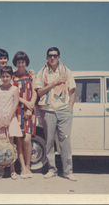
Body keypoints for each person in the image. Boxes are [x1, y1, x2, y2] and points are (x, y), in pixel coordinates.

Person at [35, 47, 77, 181]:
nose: (52, 58)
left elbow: (73, 90)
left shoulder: (67, 72)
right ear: (47, 58)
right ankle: (52, 169)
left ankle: (68, 171)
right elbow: (39, 92)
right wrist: (54, 83)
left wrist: (70, 108)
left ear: (59, 57)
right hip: (48, 110)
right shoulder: (41, 72)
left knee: (65, 140)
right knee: (49, 140)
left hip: (64, 110)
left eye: (54, 55)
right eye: (49, 55)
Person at [0, 66, 23, 180]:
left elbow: (15, 104)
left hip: (10, 119)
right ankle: (1, 170)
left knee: (10, 145)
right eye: (3, 76)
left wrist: (8, 119)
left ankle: (12, 170)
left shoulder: (14, 89)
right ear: (0, 77)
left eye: (8, 76)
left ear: (11, 77)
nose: (5, 78)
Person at [12, 51, 37, 179]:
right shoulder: (13, 76)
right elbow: (14, 94)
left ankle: (28, 166)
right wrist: (25, 102)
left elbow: (35, 92)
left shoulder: (31, 75)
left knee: (27, 139)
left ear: (26, 62)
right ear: (15, 63)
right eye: (18, 61)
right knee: (20, 140)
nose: (20, 63)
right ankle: (22, 167)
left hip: (30, 110)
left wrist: (30, 106)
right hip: (17, 110)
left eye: (22, 61)